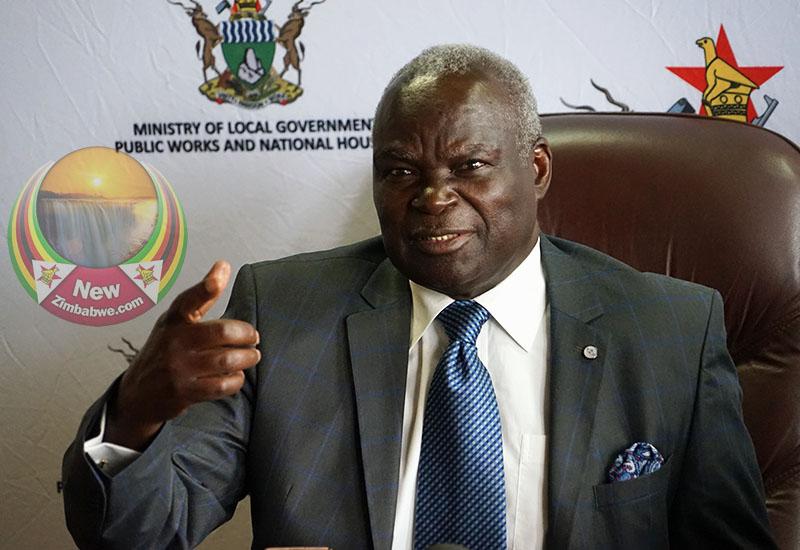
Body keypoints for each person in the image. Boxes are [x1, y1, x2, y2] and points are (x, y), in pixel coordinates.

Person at [62, 44, 776, 549]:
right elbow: (139, 535)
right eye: (401, 172)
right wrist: (134, 417)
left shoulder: (670, 331)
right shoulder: (280, 311)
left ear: (535, 169)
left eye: (470, 166)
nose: (433, 198)